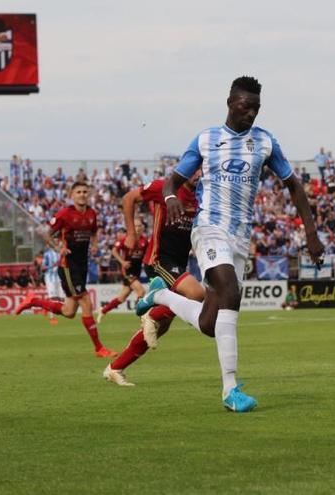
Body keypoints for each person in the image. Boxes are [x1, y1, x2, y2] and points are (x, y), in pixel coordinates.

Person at [135, 76, 324, 412]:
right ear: (230, 102)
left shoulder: (265, 143)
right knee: (230, 293)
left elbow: (294, 186)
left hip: (240, 237)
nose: (250, 113)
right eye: (245, 106)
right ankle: (230, 389)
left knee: (210, 323)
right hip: (209, 228)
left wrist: (311, 234)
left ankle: (158, 295)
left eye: (256, 108)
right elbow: (173, 180)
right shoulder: (207, 140)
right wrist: (170, 197)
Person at [102, 171, 205, 387]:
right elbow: (129, 197)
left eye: (201, 169)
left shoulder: (203, 194)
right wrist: (131, 232)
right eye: (194, 168)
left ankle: (115, 368)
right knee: (196, 294)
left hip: (178, 263)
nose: (198, 174)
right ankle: (152, 307)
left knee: (162, 326)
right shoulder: (163, 187)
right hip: (158, 259)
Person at [14, 181, 117, 358]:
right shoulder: (65, 214)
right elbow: (46, 233)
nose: (82, 194)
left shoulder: (92, 214)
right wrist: (58, 248)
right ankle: (99, 348)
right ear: (71, 195)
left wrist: (94, 244)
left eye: (85, 191)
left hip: (82, 265)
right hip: (68, 265)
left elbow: (93, 232)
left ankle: (33, 301)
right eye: (78, 192)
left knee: (69, 312)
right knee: (86, 302)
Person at [96, 224, 148, 322]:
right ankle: (142, 317)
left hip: (136, 272)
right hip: (127, 271)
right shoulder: (126, 239)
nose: (138, 228)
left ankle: (103, 310)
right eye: (136, 226)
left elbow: (146, 255)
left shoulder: (144, 241)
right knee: (141, 292)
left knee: (122, 298)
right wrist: (122, 262)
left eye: (140, 226)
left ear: (143, 228)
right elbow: (114, 250)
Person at [42, 245, 63, 325]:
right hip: (50, 278)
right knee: (53, 297)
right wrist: (53, 265)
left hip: (59, 278)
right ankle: (52, 317)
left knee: (60, 298)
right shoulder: (47, 254)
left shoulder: (60, 254)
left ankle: (45, 306)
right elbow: (43, 268)